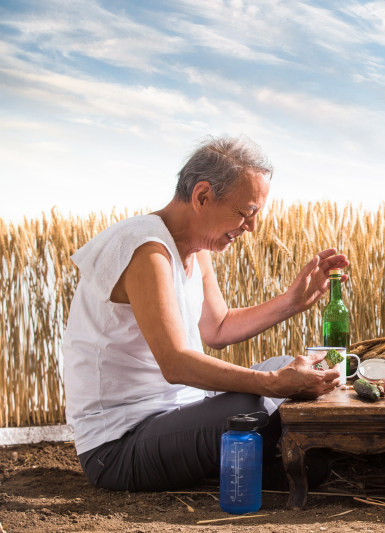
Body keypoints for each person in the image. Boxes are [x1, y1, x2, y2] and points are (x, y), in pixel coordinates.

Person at [63, 135, 347, 491]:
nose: (252, 227)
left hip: (179, 417)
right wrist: (273, 385)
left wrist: (292, 302)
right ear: (202, 196)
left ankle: (261, 462)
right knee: (253, 401)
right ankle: (269, 466)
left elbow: (218, 327)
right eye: (246, 212)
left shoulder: (196, 249)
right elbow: (176, 363)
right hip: (118, 446)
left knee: (279, 363)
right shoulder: (146, 250)